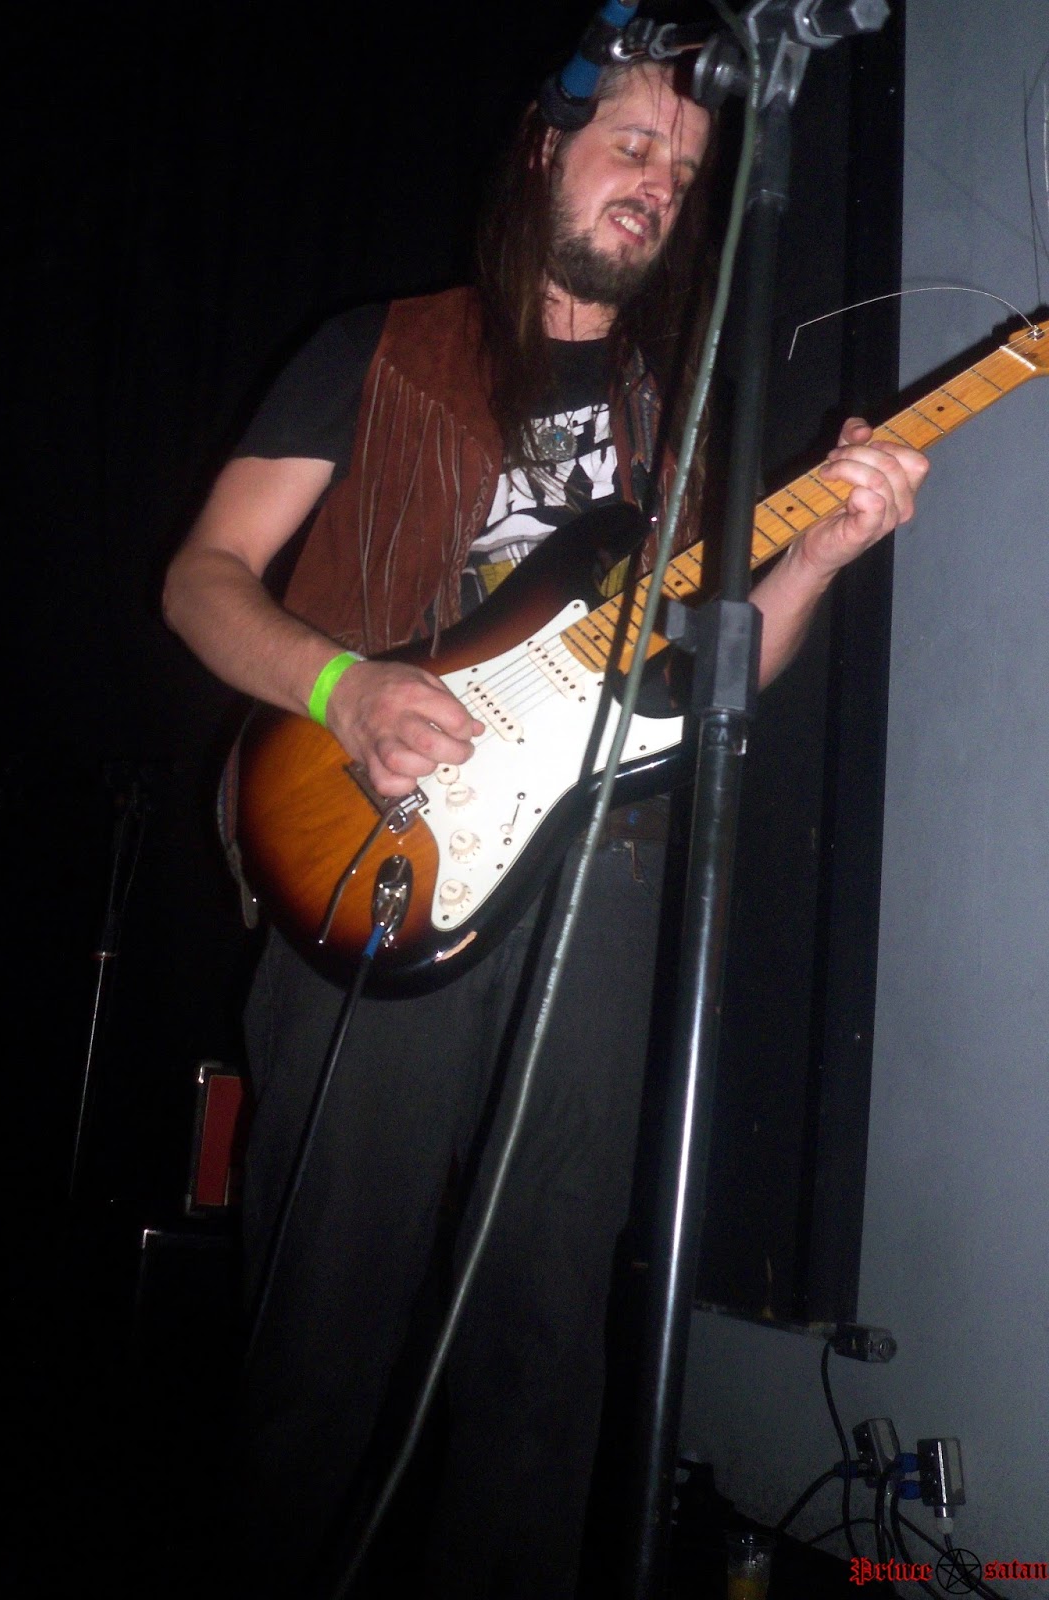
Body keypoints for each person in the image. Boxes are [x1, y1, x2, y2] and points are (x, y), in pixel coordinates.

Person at [163, 54, 928, 1600]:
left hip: (597, 885)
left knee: (547, 1348)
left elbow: (707, 682)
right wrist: (342, 689)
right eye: (633, 144)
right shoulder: (381, 349)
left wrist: (819, 557)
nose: (659, 183)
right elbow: (200, 582)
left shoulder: (687, 421)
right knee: (326, 1337)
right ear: (544, 151)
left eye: (684, 172)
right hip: (373, 854)